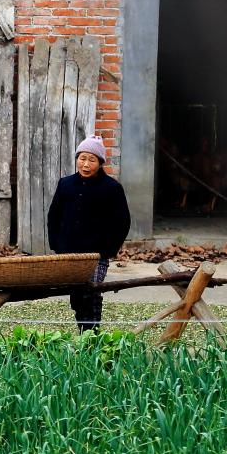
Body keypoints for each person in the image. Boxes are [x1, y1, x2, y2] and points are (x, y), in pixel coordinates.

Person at [47, 136, 132, 333]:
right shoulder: (65, 184)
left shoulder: (112, 188)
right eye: (82, 158)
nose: (85, 164)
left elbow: (122, 222)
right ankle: (83, 331)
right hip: (69, 253)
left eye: (92, 160)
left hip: (96, 255)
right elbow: (54, 216)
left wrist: (107, 250)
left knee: (92, 292)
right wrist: (57, 245)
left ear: (100, 163)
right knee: (76, 294)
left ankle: (92, 334)